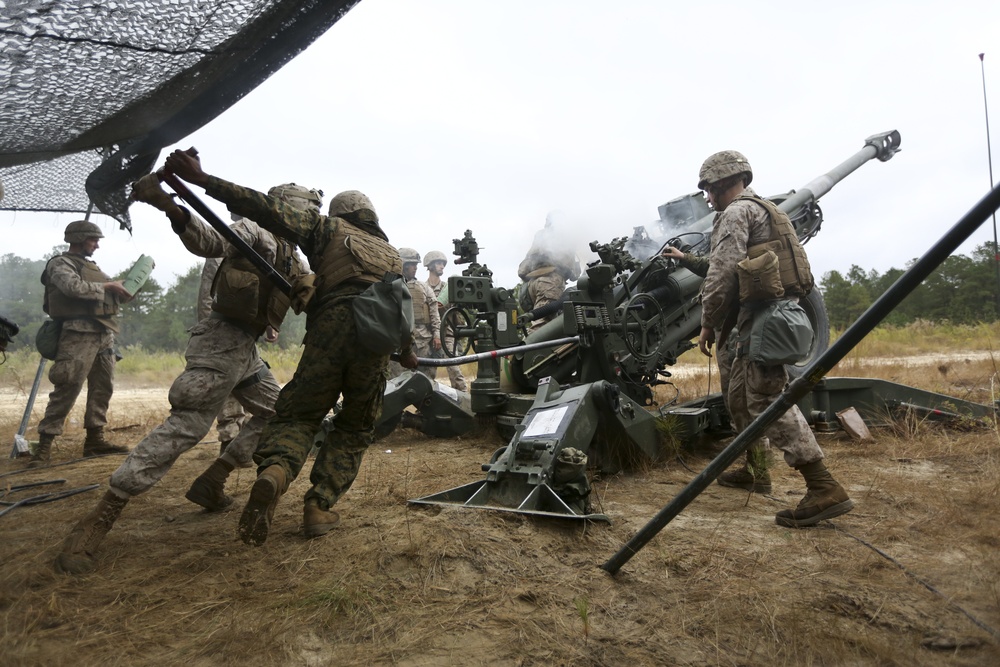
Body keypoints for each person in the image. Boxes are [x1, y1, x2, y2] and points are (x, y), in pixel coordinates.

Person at [54, 177, 317, 574]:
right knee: (185, 428)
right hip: (218, 344)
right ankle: (97, 520)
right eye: (305, 213)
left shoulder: (292, 258)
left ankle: (215, 477)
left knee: (280, 412)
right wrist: (169, 206)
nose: (309, 221)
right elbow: (209, 241)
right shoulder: (254, 233)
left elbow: (302, 293)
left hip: (245, 350)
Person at [160, 149, 417, 547]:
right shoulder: (392, 255)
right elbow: (402, 309)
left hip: (331, 330)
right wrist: (409, 350)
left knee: (299, 415)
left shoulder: (326, 228)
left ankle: (274, 474)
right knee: (354, 426)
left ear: (339, 212)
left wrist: (204, 179)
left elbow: (265, 209)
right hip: (377, 345)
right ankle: (319, 507)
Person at [693, 149, 853, 528]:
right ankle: (756, 469)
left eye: (708, 190)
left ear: (719, 184)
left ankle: (822, 486)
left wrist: (708, 323)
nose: (707, 198)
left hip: (762, 319)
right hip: (767, 316)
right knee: (738, 398)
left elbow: (722, 273)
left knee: (765, 399)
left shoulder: (735, 214)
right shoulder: (768, 210)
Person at [31, 220, 133, 465]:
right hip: (77, 333)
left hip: (103, 333)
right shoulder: (60, 264)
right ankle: (44, 446)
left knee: (102, 387)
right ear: (78, 239)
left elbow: (106, 290)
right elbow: (72, 288)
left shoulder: (91, 267)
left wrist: (125, 289)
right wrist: (107, 286)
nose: (96, 245)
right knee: (67, 387)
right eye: (93, 240)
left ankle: (95, 440)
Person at [199, 255, 250, 455]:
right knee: (227, 384)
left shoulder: (263, 249)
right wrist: (211, 331)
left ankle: (243, 440)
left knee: (250, 384)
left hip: (247, 331)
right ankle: (230, 441)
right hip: (222, 331)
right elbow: (206, 298)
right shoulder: (220, 254)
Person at [516, 211, 580, 329]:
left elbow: (522, 270)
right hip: (550, 283)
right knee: (541, 326)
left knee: (545, 322)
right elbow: (575, 275)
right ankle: (533, 347)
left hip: (532, 285)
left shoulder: (540, 236)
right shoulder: (565, 239)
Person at [391, 248, 440, 381]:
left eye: (416, 265)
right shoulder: (390, 286)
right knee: (395, 384)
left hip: (423, 343)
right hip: (398, 344)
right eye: (412, 264)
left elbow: (434, 313)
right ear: (403, 265)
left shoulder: (424, 287)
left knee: (427, 384)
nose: (415, 268)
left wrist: (437, 335)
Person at [422, 249, 467, 391]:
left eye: (443, 264)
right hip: (428, 334)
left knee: (454, 368)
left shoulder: (448, 288)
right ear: (430, 266)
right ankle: (426, 402)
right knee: (428, 372)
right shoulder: (422, 288)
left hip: (447, 332)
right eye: (439, 263)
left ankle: (464, 397)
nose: (442, 266)